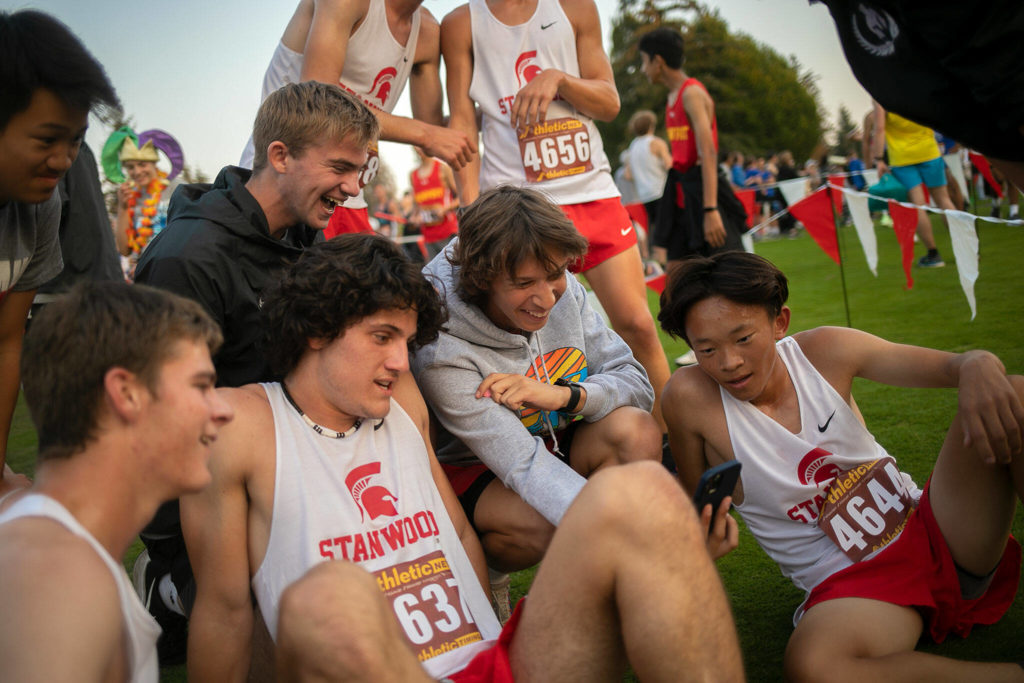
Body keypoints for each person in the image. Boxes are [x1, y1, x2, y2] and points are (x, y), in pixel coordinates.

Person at [184, 234, 745, 682]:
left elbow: (457, 532)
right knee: (329, 597)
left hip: (490, 666)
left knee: (643, 491)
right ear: (315, 330)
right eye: (381, 337)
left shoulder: (399, 402)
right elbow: (225, 611)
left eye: (406, 342)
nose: (402, 363)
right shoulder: (241, 426)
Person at [659, 250, 1024, 681]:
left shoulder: (826, 351)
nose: (729, 362)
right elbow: (693, 502)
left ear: (779, 322)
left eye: (743, 339)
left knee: (1015, 394)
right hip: (858, 593)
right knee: (815, 667)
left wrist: (976, 362)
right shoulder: (688, 398)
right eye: (706, 349)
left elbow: (952, 367)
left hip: (938, 531)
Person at [132, 81, 378, 663]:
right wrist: (179, 544)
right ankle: (169, 588)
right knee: (301, 642)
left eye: (360, 172)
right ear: (279, 155)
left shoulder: (306, 241)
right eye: (341, 167)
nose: (352, 187)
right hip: (208, 488)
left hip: (292, 466)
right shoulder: (187, 258)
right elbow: (157, 427)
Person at [441, 0, 672, 436]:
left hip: (590, 190)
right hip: (515, 204)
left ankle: (675, 445)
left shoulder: (575, 8)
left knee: (638, 325)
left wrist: (559, 79)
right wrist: (469, 206)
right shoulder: (459, 23)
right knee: (525, 341)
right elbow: (462, 119)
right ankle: (550, 455)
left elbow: (608, 102)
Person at [412, 186, 661, 573]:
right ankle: (491, 566)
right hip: (481, 466)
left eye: (555, 274)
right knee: (541, 524)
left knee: (635, 429)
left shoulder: (560, 284)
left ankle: (604, 566)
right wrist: (632, 532)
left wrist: (565, 397)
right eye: (524, 284)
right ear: (481, 280)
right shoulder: (440, 343)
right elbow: (521, 463)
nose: (546, 298)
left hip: (559, 432)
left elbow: (637, 384)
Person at [0, 281, 233, 683]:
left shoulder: (59, 552)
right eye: (200, 386)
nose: (223, 410)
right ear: (126, 394)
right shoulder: (58, 578)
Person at [0, 9, 119, 495]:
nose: (63, 161)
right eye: (47, 139)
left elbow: (8, 342)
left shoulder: (39, 207)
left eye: (75, 141)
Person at [239, 0, 475, 237]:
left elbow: (434, 129)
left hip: (348, 193)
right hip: (287, 183)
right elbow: (318, 101)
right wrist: (426, 135)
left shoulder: (426, 31)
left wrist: (492, 110)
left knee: (381, 272)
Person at [815, 0, 1024, 192]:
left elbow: (879, 129)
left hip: (912, 152)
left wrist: (877, 159)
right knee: (943, 196)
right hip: (940, 139)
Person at [637, 27, 746, 266]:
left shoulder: (692, 93)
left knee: (731, 275)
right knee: (678, 277)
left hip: (704, 194)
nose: (643, 69)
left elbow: (707, 153)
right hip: (681, 192)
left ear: (659, 61)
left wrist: (711, 210)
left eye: (644, 61)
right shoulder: (671, 97)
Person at [871, 101, 958, 268]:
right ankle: (966, 249)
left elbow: (879, 128)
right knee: (944, 200)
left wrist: (879, 159)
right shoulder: (914, 84)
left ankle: (934, 255)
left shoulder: (879, 94)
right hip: (929, 151)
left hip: (902, 159)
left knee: (917, 206)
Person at [102, 127, 185, 276]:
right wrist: (123, 206)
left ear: (154, 163)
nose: (137, 172)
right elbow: (124, 249)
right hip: (143, 275)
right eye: (130, 167)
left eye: (142, 164)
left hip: (174, 270)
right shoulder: (130, 197)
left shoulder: (176, 187)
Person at [623, 109, 672, 230]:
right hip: (661, 191)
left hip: (644, 196)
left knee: (656, 230)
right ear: (651, 126)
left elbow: (628, 175)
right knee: (670, 230)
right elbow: (670, 165)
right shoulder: (656, 143)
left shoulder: (632, 147)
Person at [409, 146, 459, 259]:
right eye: (415, 145)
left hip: (448, 234)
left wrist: (445, 209)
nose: (419, 148)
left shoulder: (442, 169)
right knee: (433, 274)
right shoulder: (413, 175)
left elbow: (461, 198)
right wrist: (414, 218)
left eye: (420, 144)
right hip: (428, 237)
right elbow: (416, 207)